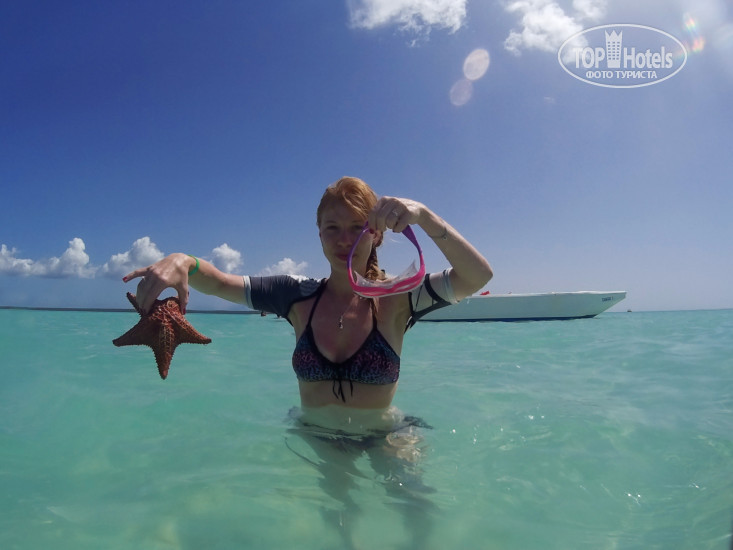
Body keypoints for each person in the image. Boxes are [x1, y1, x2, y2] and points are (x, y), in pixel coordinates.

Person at [123, 176, 492, 547]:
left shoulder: (399, 298)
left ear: (377, 234)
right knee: (339, 522)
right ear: (319, 234)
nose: (344, 239)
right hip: (318, 435)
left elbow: (477, 276)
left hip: (386, 436)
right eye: (332, 228)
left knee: (418, 512)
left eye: (357, 227)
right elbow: (219, 283)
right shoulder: (295, 295)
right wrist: (182, 261)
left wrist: (423, 216)